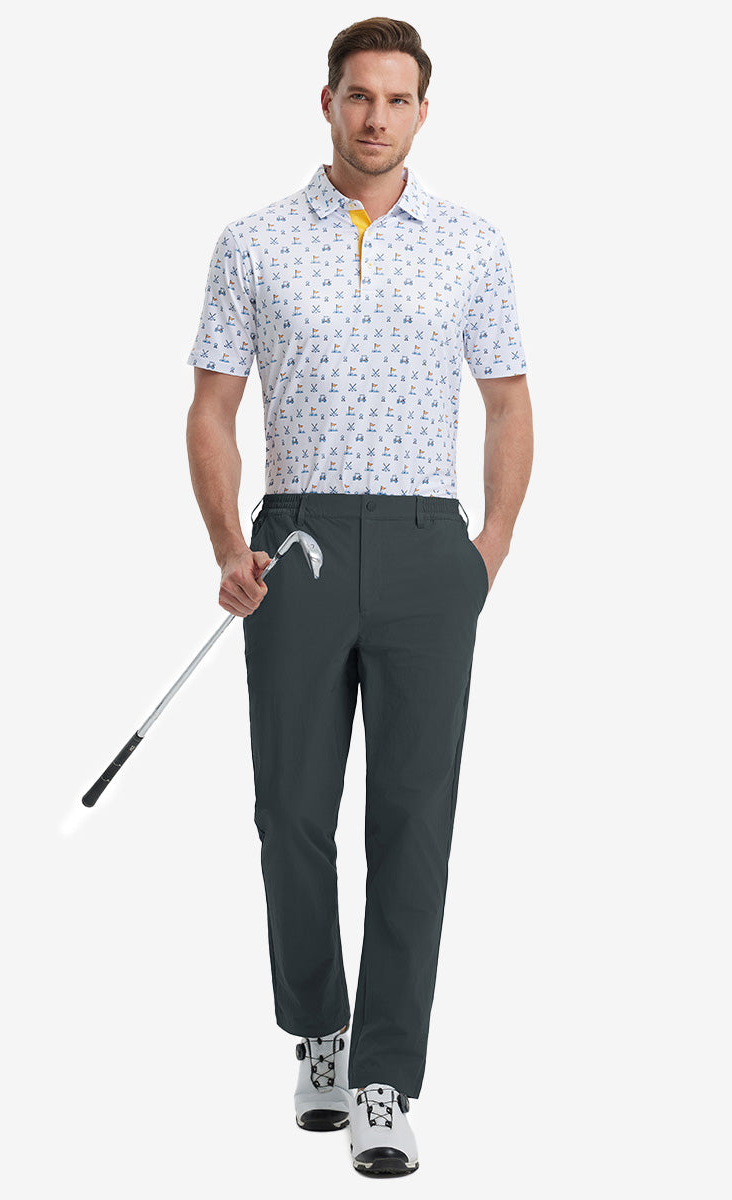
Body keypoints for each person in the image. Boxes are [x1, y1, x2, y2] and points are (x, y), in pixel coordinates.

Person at [185, 16, 533, 1177]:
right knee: (290, 808)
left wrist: (485, 551)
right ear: (327, 102)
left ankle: (386, 1078)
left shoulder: (472, 244)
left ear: (423, 111)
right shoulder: (253, 242)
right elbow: (212, 409)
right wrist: (228, 545)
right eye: (358, 95)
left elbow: (509, 401)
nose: (376, 116)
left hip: (430, 548)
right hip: (296, 543)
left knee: (413, 822)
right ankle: (318, 1032)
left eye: (397, 98)